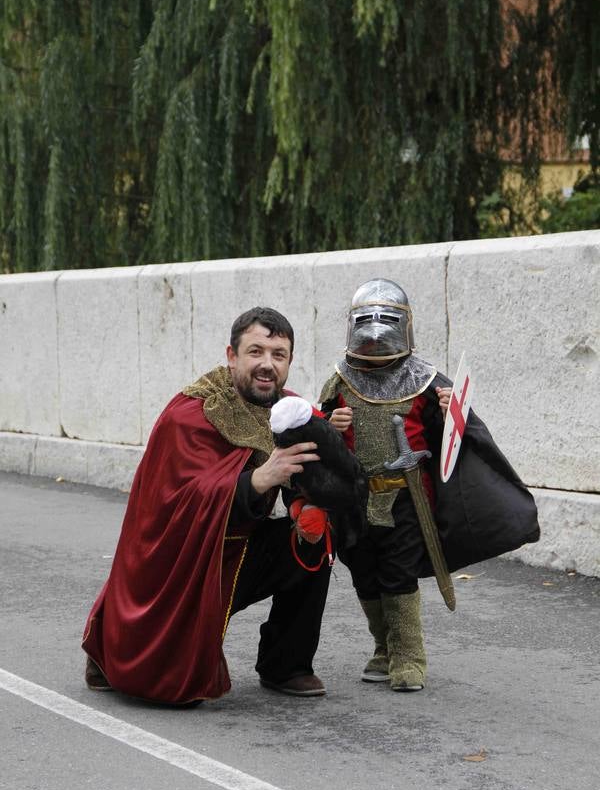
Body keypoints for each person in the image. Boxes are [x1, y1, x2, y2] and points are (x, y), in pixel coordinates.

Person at [82, 307, 331, 704]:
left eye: (278, 355)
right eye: (255, 352)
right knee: (165, 682)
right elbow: (176, 504)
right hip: (181, 562)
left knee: (313, 540)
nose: (267, 365)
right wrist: (258, 479)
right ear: (231, 356)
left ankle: (287, 665)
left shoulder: (291, 410)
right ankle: (114, 644)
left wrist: (333, 442)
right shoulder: (189, 415)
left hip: (239, 549)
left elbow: (322, 476)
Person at [320, 278, 540, 693]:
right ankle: (384, 648)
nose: (376, 328)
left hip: (408, 498)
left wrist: (452, 413)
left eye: (386, 319)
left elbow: (454, 440)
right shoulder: (338, 382)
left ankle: (409, 657)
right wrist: (330, 426)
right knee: (365, 575)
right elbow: (319, 438)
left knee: (398, 574)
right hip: (357, 498)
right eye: (368, 319)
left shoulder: (427, 380)